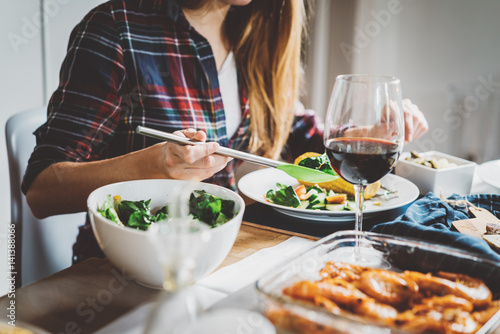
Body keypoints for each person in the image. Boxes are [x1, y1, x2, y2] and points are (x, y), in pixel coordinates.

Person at [23, 0, 428, 262]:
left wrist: (371, 135)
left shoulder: (258, 31)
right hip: (129, 270)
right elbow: (41, 190)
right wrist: (153, 167)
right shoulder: (115, 28)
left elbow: (300, 135)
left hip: (234, 256)